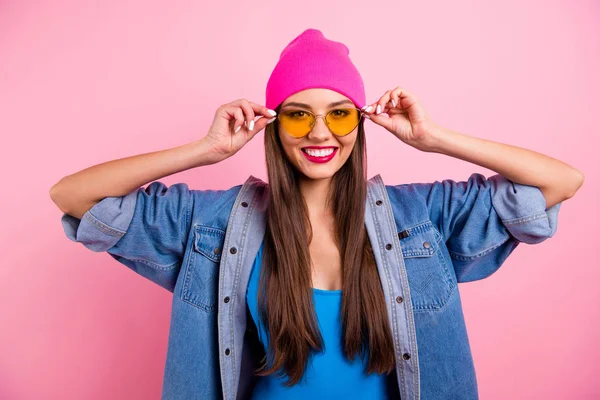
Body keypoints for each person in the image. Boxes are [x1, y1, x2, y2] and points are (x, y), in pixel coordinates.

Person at [50, 28, 584, 400]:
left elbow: (561, 183)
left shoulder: (421, 218)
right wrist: (204, 151)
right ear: (276, 125)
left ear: (361, 120)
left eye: (339, 114)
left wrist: (433, 138)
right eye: (299, 116)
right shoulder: (213, 223)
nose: (321, 133)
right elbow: (73, 196)